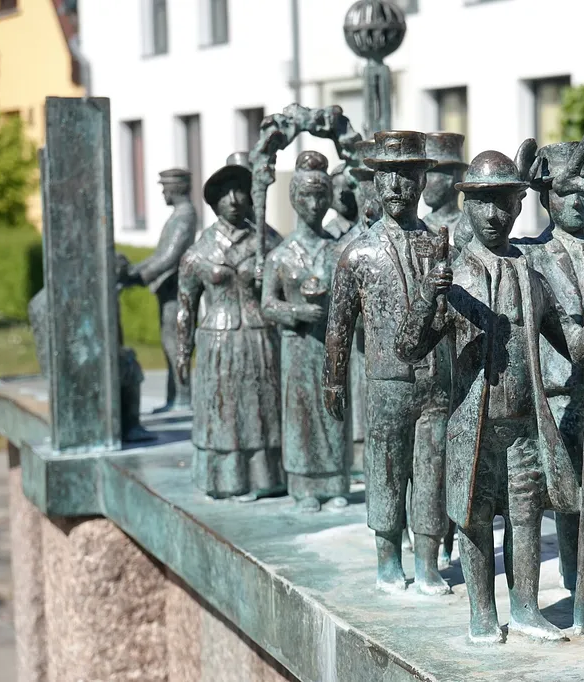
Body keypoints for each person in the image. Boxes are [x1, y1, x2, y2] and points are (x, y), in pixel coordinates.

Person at [395, 150, 584, 643]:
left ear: (518, 205)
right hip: (475, 425)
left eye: (504, 203)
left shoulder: (530, 275)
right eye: (483, 203)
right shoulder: (454, 275)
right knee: (474, 518)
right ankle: (482, 614)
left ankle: (527, 609)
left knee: (526, 517)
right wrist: (427, 298)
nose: (494, 215)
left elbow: (570, 345)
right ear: (467, 205)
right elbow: (408, 347)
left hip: (525, 424)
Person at [324, 131, 452, 596]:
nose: (396, 187)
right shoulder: (358, 253)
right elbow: (339, 324)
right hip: (386, 382)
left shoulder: (440, 244)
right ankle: (387, 557)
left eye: (407, 176)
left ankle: (429, 560)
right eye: (387, 177)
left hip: (436, 383)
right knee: (385, 468)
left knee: (432, 472)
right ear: (375, 183)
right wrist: (334, 380)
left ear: (423, 181)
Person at [518, 141, 584, 608]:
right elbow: (469, 241)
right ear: (546, 198)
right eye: (566, 193)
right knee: (568, 491)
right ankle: (580, 574)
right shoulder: (532, 254)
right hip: (561, 388)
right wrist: (519, 180)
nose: (578, 202)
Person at [176, 159, 283, 500]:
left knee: (261, 410)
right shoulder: (200, 250)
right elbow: (185, 307)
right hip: (218, 342)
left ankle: (265, 478)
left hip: (259, 336)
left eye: (240, 191)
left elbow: (286, 286)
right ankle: (225, 479)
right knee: (223, 413)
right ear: (214, 200)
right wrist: (183, 351)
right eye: (225, 193)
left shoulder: (267, 241)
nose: (234, 199)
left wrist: (270, 277)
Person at [262, 151, 353, 511]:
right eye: (306, 196)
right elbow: (268, 305)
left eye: (321, 196)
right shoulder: (280, 255)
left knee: (334, 411)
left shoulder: (337, 251)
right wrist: (297, 311)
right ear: (293, 198)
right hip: (298, 347)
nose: (314, 205)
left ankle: (335, 481)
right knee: (300, 414)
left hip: (331, 346)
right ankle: (303, 486)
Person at [122, 168, 198, 412]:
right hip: (168, 291)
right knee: (170, 344)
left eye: (165, 188)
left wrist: (138, 277)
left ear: (175, 189)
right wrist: (132, 272)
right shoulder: (178, 215)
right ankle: (174, 398)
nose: (163, 193)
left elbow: (169, 258)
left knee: (175, 345)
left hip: (176, 291)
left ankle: (182, 398)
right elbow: (159, 255)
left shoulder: (184, 216)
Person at [422, 132, 469, 247]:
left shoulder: (470, 228)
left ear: (452, 176)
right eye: (422, 174)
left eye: (430, 174)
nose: (423, 182)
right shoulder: (420, 228)